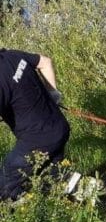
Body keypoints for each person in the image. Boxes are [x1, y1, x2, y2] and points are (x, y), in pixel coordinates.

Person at [0, 49, 69, 201]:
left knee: (4, 186)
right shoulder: (12, 55)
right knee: (53, 182)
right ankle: (105, 192)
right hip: (59, 126)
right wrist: (53, 97)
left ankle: (26, 209)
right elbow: (45, 62)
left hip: (37, 141)